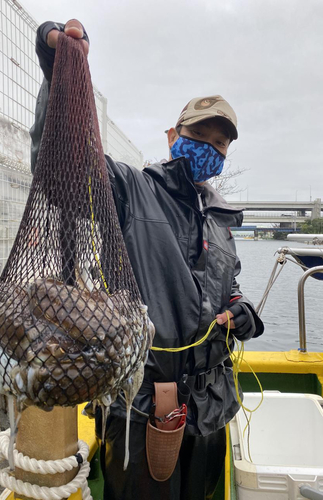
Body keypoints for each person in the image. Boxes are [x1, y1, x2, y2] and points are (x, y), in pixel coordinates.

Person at [30, 19, 264, 500]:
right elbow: (63, 172)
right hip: (141, 406)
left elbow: (230, 288)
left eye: (221, 143)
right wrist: (58, 76)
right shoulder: (132, 190)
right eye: (202, 135)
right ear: (174, 134)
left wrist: (243, 313)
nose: (212, 149)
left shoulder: (219, 218)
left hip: (211, 408)